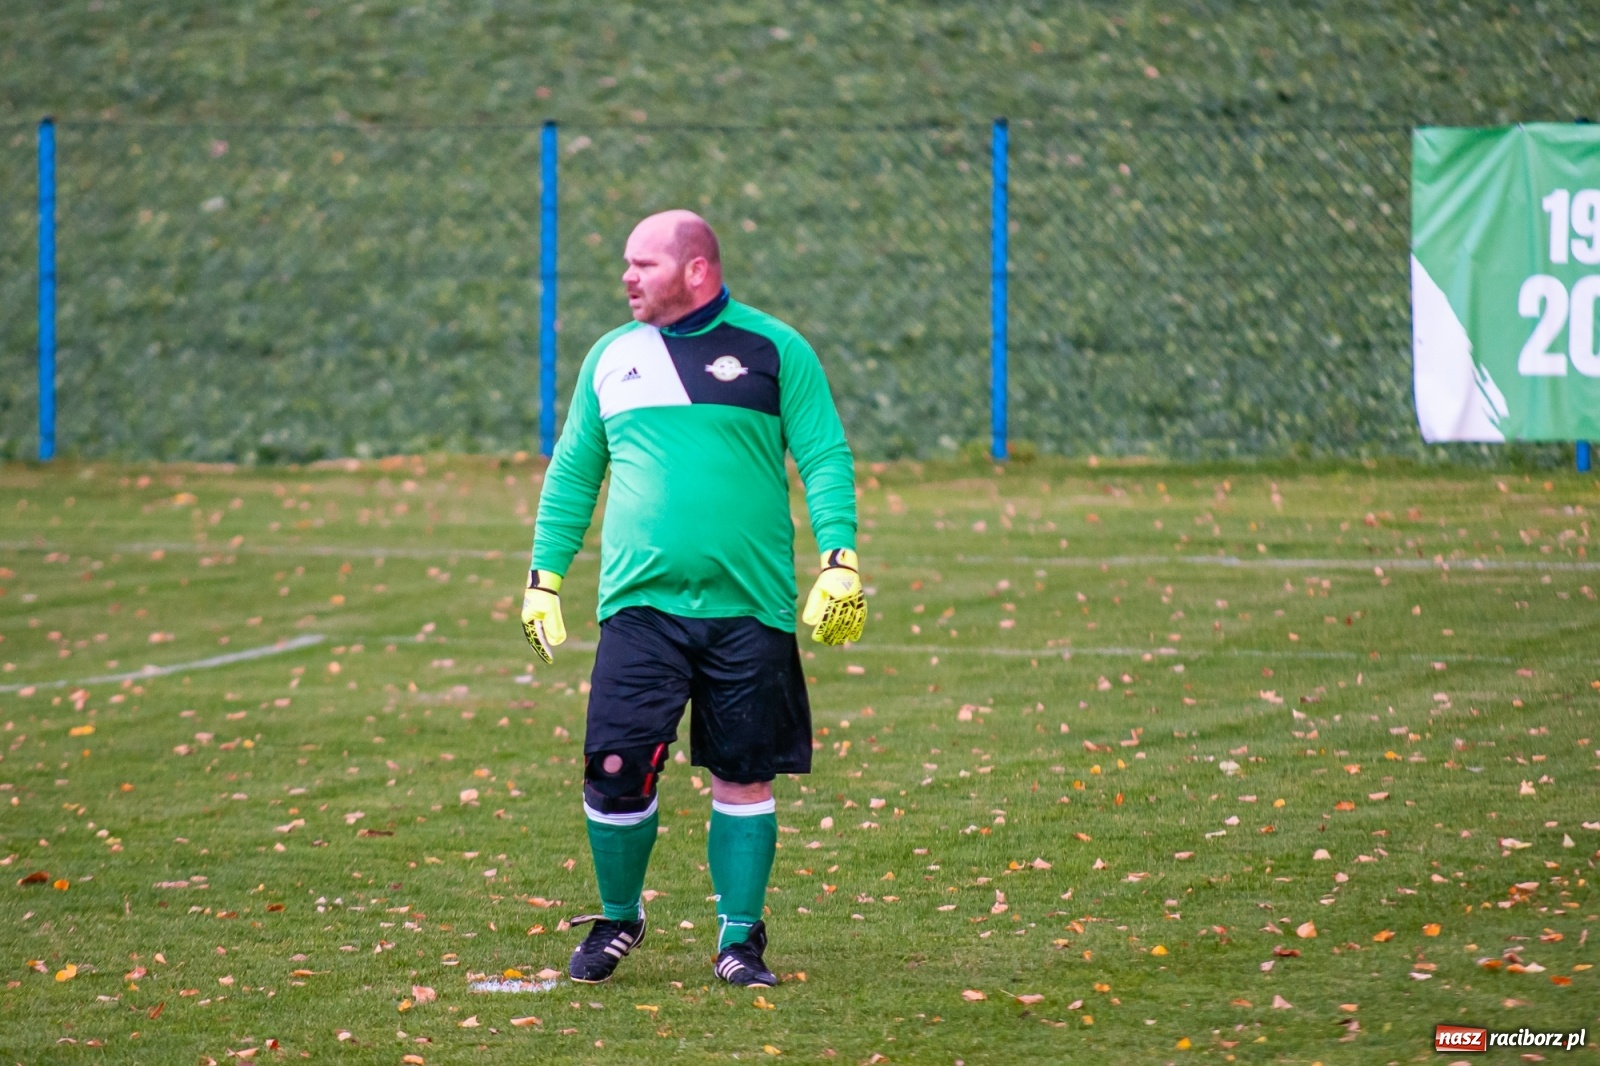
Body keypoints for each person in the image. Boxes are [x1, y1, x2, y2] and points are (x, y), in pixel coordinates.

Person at [521, 209, 866, 988]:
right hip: (641, 608)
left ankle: (740, 939)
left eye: (643, 263)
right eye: (626, 264)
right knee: (615, 766)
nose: (627, 276)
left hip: (752, 607)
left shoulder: (776, 350)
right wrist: (544, 578)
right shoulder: (612, 356)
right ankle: (618, 918)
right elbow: (575, 472)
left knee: (743, 776)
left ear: (697, 270)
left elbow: (825, 456)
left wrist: (839, 561)